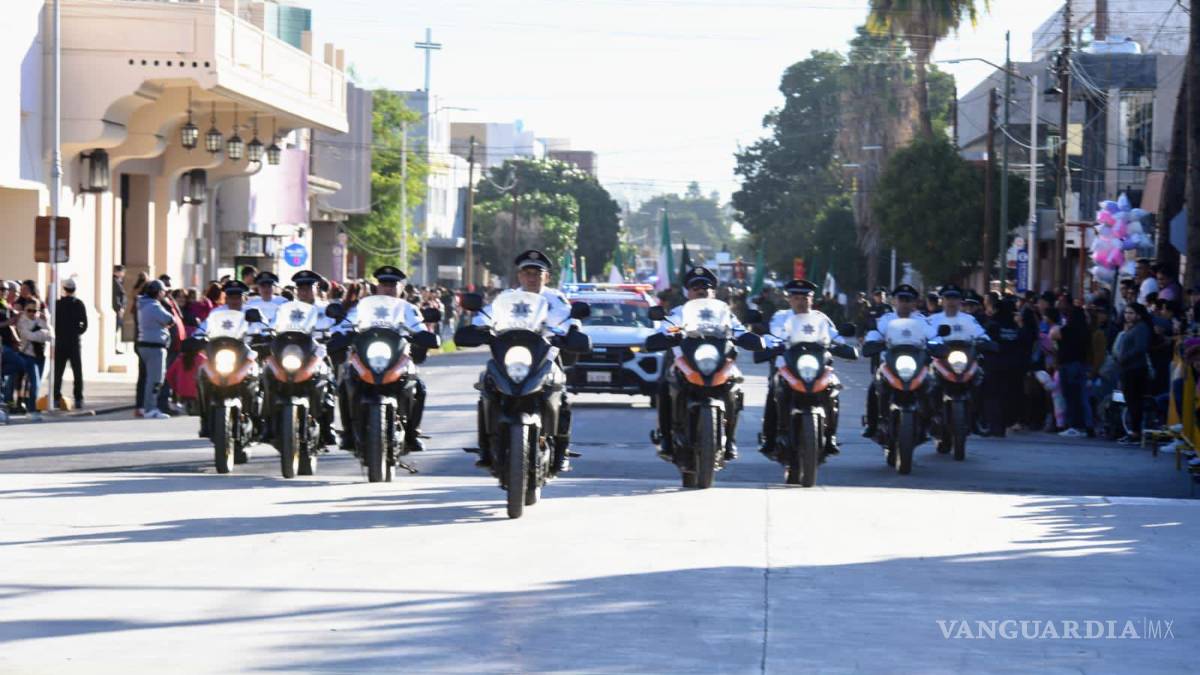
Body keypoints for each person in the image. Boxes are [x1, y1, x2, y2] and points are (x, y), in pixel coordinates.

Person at [473, 251, 580, 471]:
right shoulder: (506, 299)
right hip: (511, 355)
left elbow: (569, 319)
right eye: (527, 272)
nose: (531, 277)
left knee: (562, 395)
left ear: (546, 277)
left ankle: (561, 451)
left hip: (545, 355)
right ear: (519, 276)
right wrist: (478, 327)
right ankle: (486, 447)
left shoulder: (555, 299)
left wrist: (571, 331)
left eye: (537, 273)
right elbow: (485, 316)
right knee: (487, 386)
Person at [653, 266, 750, 462]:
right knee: (664, 386)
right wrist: (670, 334)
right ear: (687, 291)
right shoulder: (678, 312)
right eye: (695, 286)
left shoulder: (725, 313)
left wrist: (749, 338)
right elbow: (667, 328)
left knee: (735, 387)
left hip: (718, 360)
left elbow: (738, 330)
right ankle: (666, 438)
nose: (700, 290)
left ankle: (729, 439)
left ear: (713, 291)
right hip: (685, 359)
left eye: (705, 286)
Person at [336, 265, 429, 454]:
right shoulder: (362, 306)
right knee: (345, 383)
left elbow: (420, 328)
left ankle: (412, 433)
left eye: (393, 284)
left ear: (400, 288)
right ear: (377, 287)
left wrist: (424, 336)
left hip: (398, 357)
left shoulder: (408, 308)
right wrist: (339, 333)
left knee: (419, 387)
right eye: (384, 283)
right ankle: (348, 433)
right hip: (367, 355)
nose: (388, 288)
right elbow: (346, 324)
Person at [760, 279, 846, 458]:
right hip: (788, 365)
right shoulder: (781, 316)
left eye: (805, 297)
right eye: (796, 297)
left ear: (812, 299)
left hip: (817, 365)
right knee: (774, 390)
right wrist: (773, 344)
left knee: (833, 389)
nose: (801, 301)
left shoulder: (821, 318)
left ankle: (830, 436)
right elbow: (774, 334)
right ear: (789, 299)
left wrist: (840, 345)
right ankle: (771, 437)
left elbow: (836, 336)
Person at [863, 284, 935, 438]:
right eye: (901, 299)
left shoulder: (922, 320)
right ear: (895, 301)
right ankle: (873, 424)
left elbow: (934, 336)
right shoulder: (886, 319)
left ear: (914, 303)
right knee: (873, 387)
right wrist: (871, 342)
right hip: (890, 363)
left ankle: (928, 422)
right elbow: (876, 333)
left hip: (916, 363)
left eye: (908, 300)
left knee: (931, 385)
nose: (904, 303)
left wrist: (938, 344)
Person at [136, 280, 175, 420]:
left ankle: (145, 407)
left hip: (145, 344)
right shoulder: (154, 306)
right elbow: (170, 319)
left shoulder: (142, 304)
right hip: (155, 346)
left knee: (147, 379)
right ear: (159, 292)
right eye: (163, 291)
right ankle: (150, 408)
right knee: (155, 380)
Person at [1115, 302, 1153, 444]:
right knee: (1130, 401)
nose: (1128, 316)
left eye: (1131, 313)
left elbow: (1140, 348)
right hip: (1127, 369)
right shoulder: (1132, 328)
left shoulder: (1141, 328)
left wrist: (1124, 358)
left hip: (1135, 369)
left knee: (1134, 402)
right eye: (1126, 313)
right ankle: (1133, 431)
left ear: (1138, 314)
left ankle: (1135, 432)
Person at [1054, 306, 1093, 438]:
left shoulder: (1067, 329)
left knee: (1070, 396)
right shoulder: (1086, 331)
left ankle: (1073, 425)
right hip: (1080, 365)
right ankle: (1086, 425)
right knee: (1081, 397)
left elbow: (1053, 334)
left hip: (1068, 365)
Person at [54, 277, 88, 409]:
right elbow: (84, 324)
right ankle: (78, 397)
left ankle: (56, 396)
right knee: (77, 371)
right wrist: (77, 332)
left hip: (60, 341)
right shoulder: (78, 304)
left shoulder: (57, 304)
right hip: (73, 342)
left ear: (64, 289)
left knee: (58, 371)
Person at [112, 265, 127, 353]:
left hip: (119, 309)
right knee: (115, 329)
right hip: (117, 309)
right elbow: (116, 296)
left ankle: (115, 347)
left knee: (117, 329)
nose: (123, 274)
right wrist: (119, 308)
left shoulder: (118, 281)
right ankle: (114, 348)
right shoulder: (115, 281)